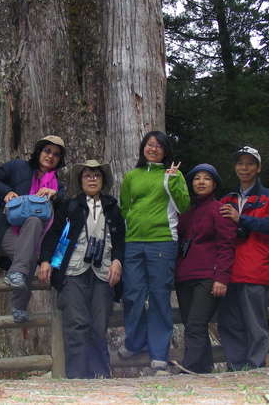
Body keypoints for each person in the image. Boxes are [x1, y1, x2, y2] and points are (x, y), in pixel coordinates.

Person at [38, 160, 125, 378]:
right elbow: (53, 235)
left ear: (103, 181)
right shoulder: (69, 207)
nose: (92, 179)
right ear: (81, 181)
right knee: (76, 324)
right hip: (73, 271)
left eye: (97, 176)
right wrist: (45, 260)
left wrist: (117, 261)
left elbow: (121, 240)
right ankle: (76, 377)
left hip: (104, 272)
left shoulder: (112, 208)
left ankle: (100, 375)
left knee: (98, 324)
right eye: (87, 176)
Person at [118, 130, 190, 374]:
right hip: (133, 243)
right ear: (143, 148)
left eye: (159, 145)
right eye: (149, 144)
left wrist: (171, 181)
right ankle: (135, 342)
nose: (153, 148)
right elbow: (125, 208)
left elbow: (183, 206)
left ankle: (159, 353)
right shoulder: (131, 176)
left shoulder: (174, 175)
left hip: (162, 241)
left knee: (160, 297)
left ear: (165, 150)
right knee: (132, 294)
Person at [0, 135, 66, 323]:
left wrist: (53, 193)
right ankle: (19, 305)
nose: (50, 156)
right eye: (47, 151)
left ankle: (17, 288)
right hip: (6, 226)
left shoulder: (56, 184)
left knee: (35, 222)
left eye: (56, 154)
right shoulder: (17, 167)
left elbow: (61, 201)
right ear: (39, 152)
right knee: (27, 259)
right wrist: (6, 192)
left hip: (35, 233)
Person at [219, 146, 269, 370]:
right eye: (240, 163)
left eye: (249, 163)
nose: (244, 167)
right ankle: (236, 368)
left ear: (258, 168)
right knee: (230, 322)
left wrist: (243, 220)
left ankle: (255, 366)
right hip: (229, 271)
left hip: (256, 269)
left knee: (255, 324)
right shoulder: (227, 198)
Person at [175, 163, 236, 374]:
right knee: (192, 325)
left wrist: (222, 278)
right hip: (184, 277)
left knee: (195, 323)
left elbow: (226, 246)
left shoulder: (220, 210)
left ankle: (189, 369)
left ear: (214, 184)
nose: (201, 182)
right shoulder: (186, 212)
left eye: (207, 178)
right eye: (197, 178)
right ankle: (204, 368)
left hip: (208, 277)